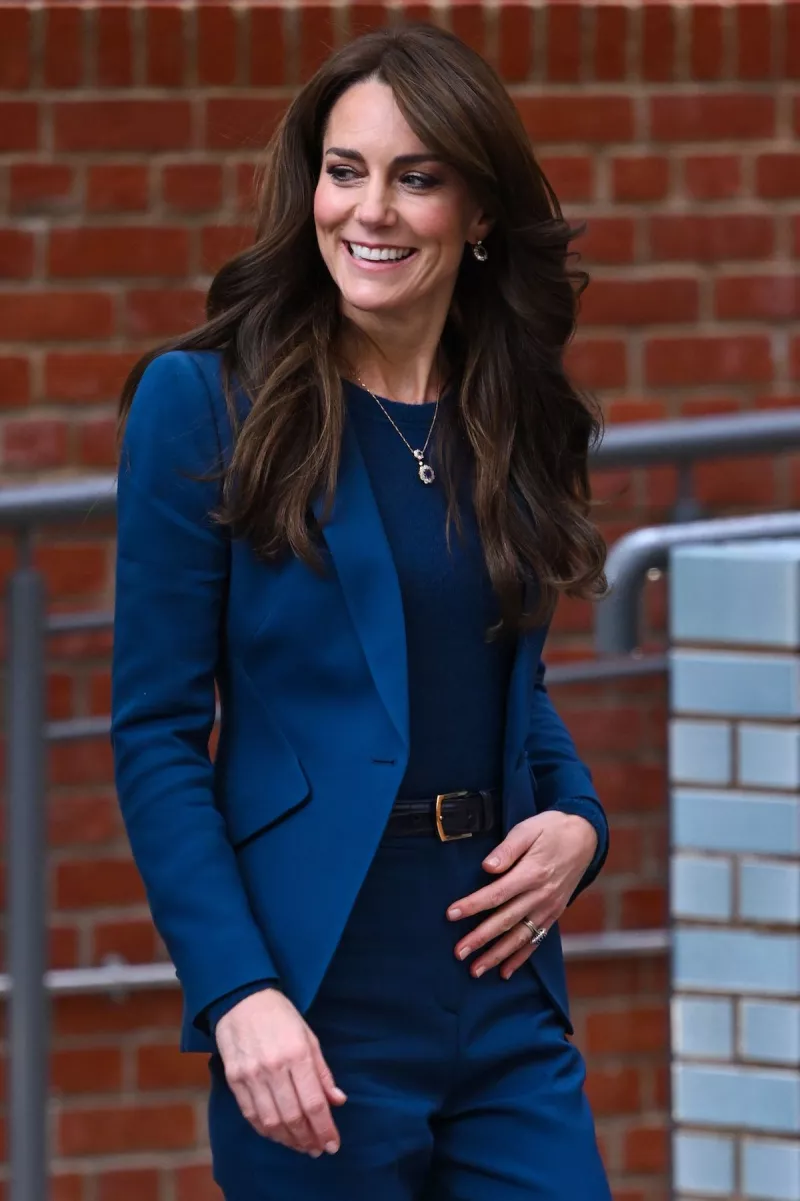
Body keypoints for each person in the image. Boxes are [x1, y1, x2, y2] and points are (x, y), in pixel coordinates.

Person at [111, 22, 612, 1201]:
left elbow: (504, 682)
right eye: (346, 171)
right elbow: (156, 736)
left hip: (497, 983)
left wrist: (580, 822)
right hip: (315, 991)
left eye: (417, 177)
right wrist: (237, 993)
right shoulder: (204, 405)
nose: (370, 210)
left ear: (479, 214)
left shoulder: (515, 411)